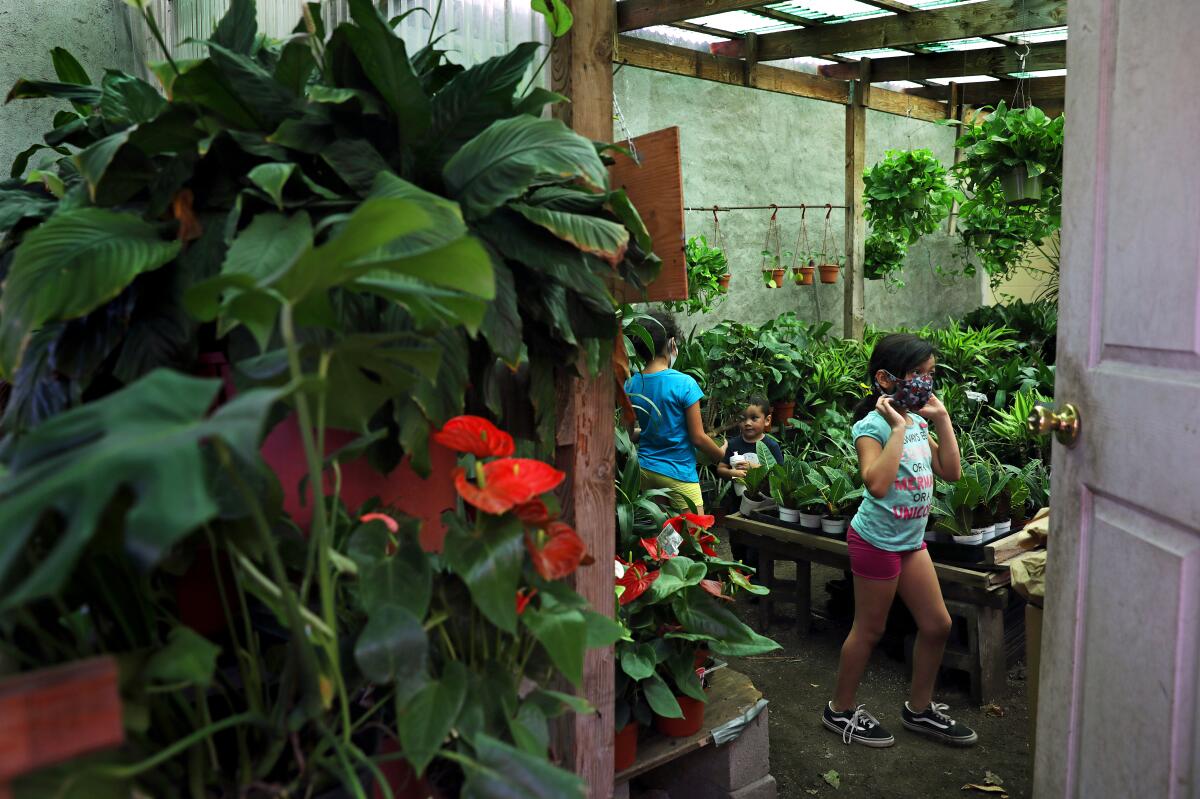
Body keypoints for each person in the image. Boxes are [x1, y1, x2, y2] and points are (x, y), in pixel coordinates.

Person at [822, 333, 977, 749]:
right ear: (885, 379)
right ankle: (839, 710)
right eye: (917, 374)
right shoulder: (871, 427)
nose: (926, 383)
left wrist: (941, 420)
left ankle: (919, 709)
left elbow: (951, 471)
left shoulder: (920, 421)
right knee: (870, 629)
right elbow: (876, 483)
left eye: (930, 375)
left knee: (937, 624)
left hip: (910, 542)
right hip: (875, 541)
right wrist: (896, 428)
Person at [625, 311, 726, 512]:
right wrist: (720, 454)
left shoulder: (632, 383)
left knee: (665, 536)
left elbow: (627, 435)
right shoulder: (684, 383)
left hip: (646, 471)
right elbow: (697, 437)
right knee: (696, 536)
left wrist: (649, 433)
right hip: (678, 474)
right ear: (672, 343)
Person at [717, 395, 783, 564]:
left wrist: (756, 469)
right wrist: (733, 473)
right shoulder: (733, 444)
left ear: (767, 420)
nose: (747, 423)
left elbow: (780, 474)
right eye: (743, 418)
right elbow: (721, 468)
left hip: (762, 506)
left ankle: (759, 576)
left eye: (754, 418)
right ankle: (741, 571)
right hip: (736, 502)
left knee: (757, 543)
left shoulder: (771, 446)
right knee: (737, 541)